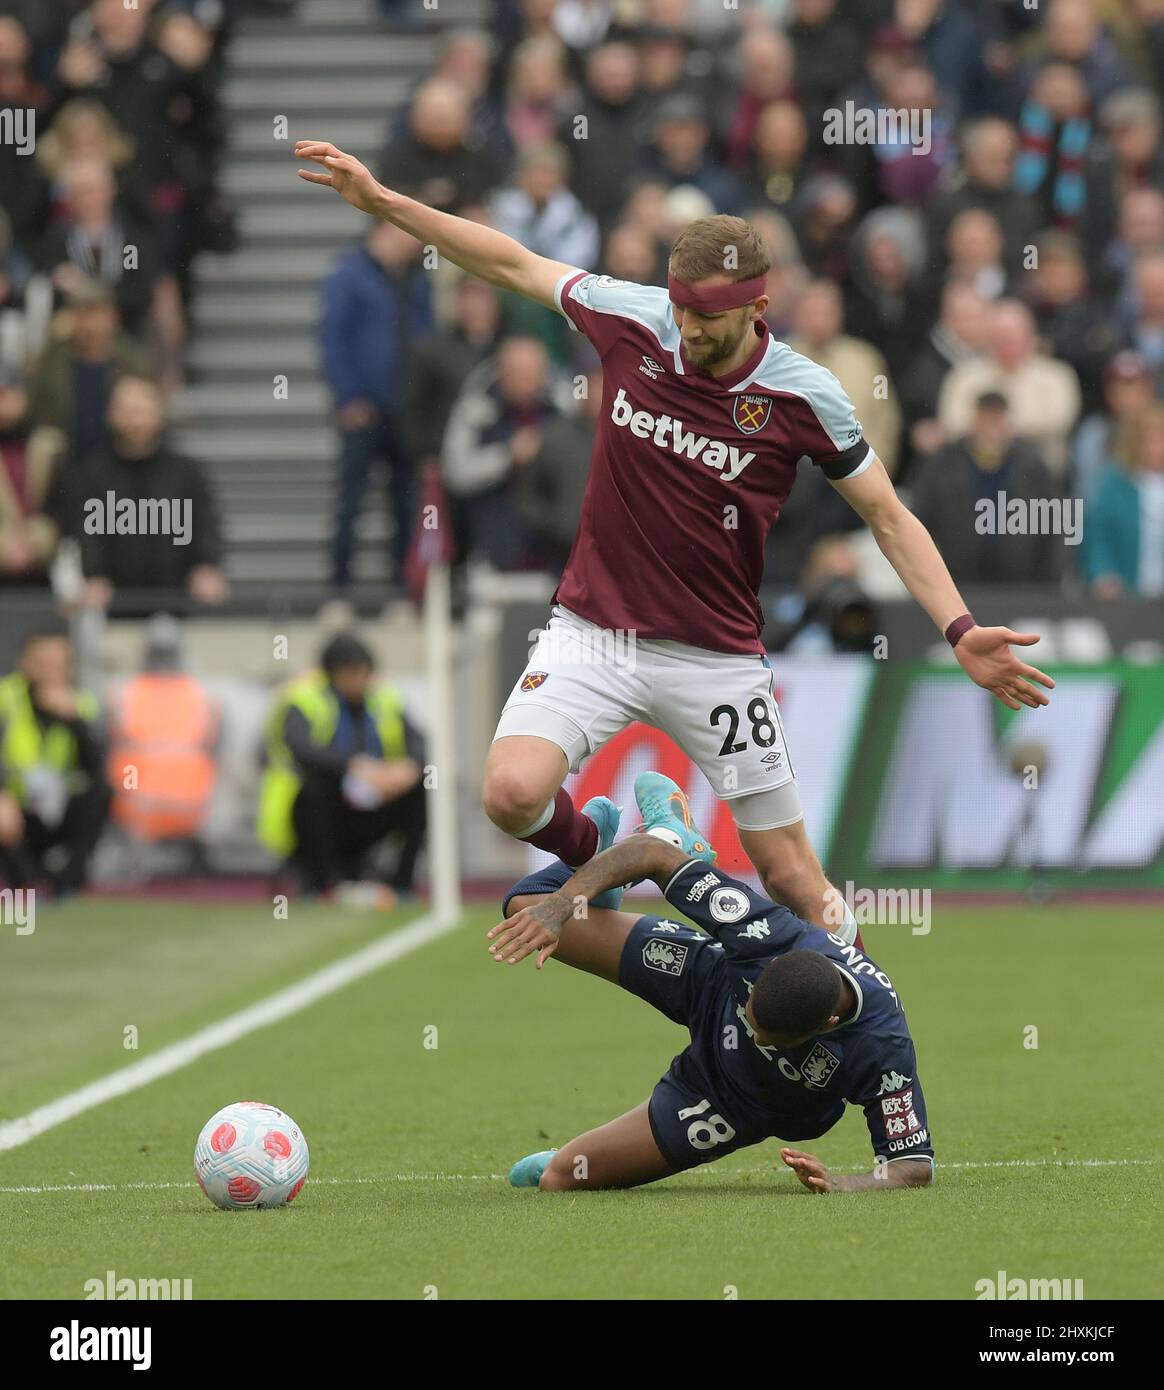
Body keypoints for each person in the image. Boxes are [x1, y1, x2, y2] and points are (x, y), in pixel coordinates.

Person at [295, 139, 1053, 938]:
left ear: (759, 308)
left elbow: (889, 517)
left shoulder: (804, 394)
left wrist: (961, 628)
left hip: (715, 657)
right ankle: (607, 850)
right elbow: (513, 263)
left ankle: (872, 1024)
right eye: (682, 305)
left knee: (792, 875)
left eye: (709, 316)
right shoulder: (635, 319)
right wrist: (388, 205)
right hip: (595, 631)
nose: (688, 326)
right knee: (510, 795)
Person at [490, 774, 934, 1195]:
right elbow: (650, 853)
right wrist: (563, 905)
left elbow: (911, 1167)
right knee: (527, 909)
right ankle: (628, 855)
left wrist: (843, 1183)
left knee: (562, 1178)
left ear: (829, 1023)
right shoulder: (767, 933)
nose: (751, 1031)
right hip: (707, 981)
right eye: (753, 1016)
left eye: (766, 1037)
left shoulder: (881, 1046)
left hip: (732, 1100)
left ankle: (577, 1157)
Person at [257, 632, 426, 903]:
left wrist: (408, 768)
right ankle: (324, 886)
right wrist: (353, 765)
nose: (357, 680)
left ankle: (401, 886)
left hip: (371, 807)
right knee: (313, 790)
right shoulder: (303, 699)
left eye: (362, 672)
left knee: (422, 788)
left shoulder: (384, 698)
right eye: (349, 672)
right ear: (331, 673)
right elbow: (300, 747)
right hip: (313, 817)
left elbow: (419, 741)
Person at [319, 219, 432, 590]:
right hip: (363, 411)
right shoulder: (349, 275)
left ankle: (401, 590)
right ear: (384, 229)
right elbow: (333, 338)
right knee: (351, 501)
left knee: (404, 503)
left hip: (406, 411)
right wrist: (348, 397)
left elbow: (427, 342)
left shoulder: (416, 281)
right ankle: (339, 588)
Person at [71, 375, 228, 611]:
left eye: (141, 411)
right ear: (111, 415)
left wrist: (206, 566)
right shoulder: (93, 473)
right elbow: (87, 532)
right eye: (127, 411)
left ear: (159, 413)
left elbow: (206, 523)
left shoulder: (186, 471)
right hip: (114, 603)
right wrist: (94, 575)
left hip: (179, 599)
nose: (135, 421)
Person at [0, 622, 110, 894]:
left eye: (58, 664)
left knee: (101, 791)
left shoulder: (81, 703)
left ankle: (68, 883)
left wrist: (75, 722)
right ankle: (24, 883)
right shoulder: (5, 697)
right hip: (16, 806)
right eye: (43, 663)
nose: (51, 672)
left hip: (56, 806)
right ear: (25, 663)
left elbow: (96, 766)